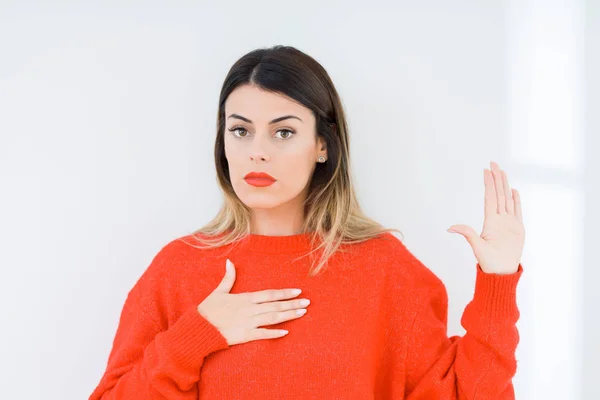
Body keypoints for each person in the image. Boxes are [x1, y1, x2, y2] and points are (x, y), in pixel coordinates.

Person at [89, 45, 525, 399]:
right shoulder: (179, 268)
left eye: (283, 132)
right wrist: (196, 336)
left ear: (322, 145)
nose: (257, 151)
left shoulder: (386, 269)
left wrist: (498, 281)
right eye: (240, 130)